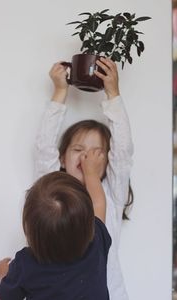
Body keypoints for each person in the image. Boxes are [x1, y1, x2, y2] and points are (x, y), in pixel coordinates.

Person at [34, 57, 134, 300]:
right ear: (62, 158)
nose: (86, 157)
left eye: (96, 152)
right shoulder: (53, 194)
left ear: (107, 162)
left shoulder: (112, 195)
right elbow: (43, 148)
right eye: (78, 150)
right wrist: (60, 91)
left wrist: (113, 92)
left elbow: (123, 150)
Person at [0, 169, 112, 300]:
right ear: (90, 223)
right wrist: (91, 171)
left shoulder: (25, 265)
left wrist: (3, 275)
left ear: (30, 234)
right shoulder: (97, 240)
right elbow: (99, 202)